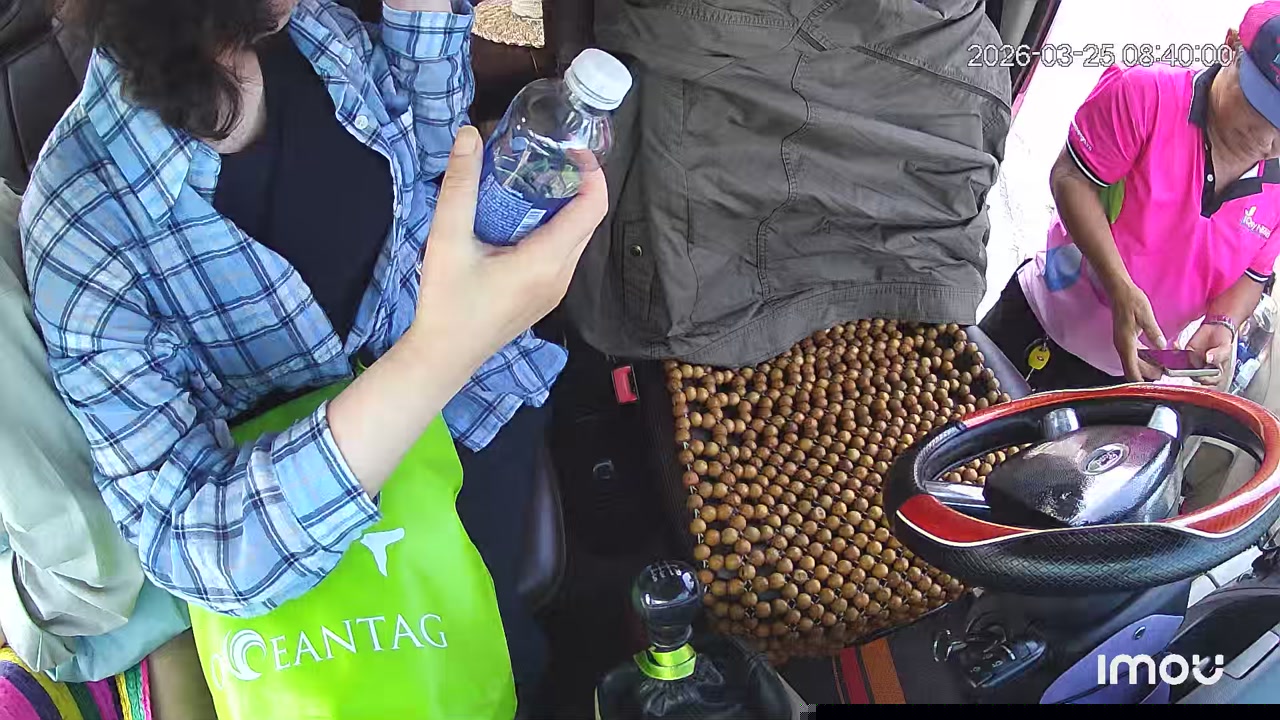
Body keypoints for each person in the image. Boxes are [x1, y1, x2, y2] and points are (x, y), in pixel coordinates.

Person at [21, 0, 606, 698]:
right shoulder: (81, 225)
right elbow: (189, 541)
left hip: (476, 409)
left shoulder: (314, 32)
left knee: (521, 666)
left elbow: (425, 158)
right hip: (314, 535)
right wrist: (441, 353)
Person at [980, 1, 1280, 391]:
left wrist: (1222, 323)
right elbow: (1071, 179)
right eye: (1260, 106)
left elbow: (1252, 274)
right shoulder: (1146, 95)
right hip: (1042, 323)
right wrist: (1118, 285)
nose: (1266, 138)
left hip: (1128, 376)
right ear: (1229, 48)